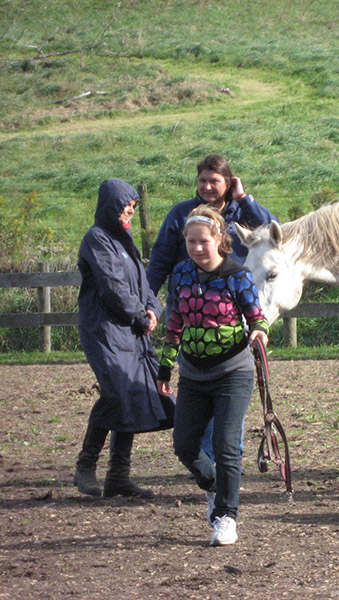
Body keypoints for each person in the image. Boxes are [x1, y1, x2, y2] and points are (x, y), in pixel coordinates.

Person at [147, 154, 278, 460]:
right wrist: (148, 303)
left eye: (214, 181)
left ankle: (226, 461)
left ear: (228, 182)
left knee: (231, 393)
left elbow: (275, 231)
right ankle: (212, 464)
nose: (207, 186)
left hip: (235, 315)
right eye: (202, 180)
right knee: (199, 389)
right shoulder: (181, 215)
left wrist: (244, 198)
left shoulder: (241, 214)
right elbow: (160, 262)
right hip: (191, 318)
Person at [157, 205, 269, 546]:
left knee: (225, 445)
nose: (196, 248)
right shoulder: (181, 274)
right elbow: (175, 323)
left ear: (219, 239)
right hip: (193, 373)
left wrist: (259, 332)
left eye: (203, 241)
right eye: (191, 242)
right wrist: (165, 367)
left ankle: (226, 516)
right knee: (184, 445)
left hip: (233, 372)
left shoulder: (237, 275)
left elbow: (256, 314)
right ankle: (217, 486)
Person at [74, 179, 174, 499]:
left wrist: (152, 308)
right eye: (125, 205)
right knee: (117, 393)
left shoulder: (125, 241)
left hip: (130, 331)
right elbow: (112, 285)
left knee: (131, 393)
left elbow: (142, 284)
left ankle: (118, 475)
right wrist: (140, 316)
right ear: (110, 207)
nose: (130, 210)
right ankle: (85, 467)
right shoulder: (97, 239)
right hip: (103, 330)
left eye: (133, 205)